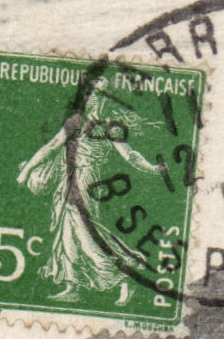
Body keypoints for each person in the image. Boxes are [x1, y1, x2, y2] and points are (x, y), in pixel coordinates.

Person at [16, 74, 168, 304]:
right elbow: (51, 146)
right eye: (92, 93)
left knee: (85, 231)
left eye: (102, 94)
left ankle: (125, 275)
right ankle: (72, 285)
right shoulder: (75, 121)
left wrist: (153, 169)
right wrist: (26, 170)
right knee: (67, 231)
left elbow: (130, 155)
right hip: (69, 177)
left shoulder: (110, 127)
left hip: (87, 178)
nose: (95, 99)